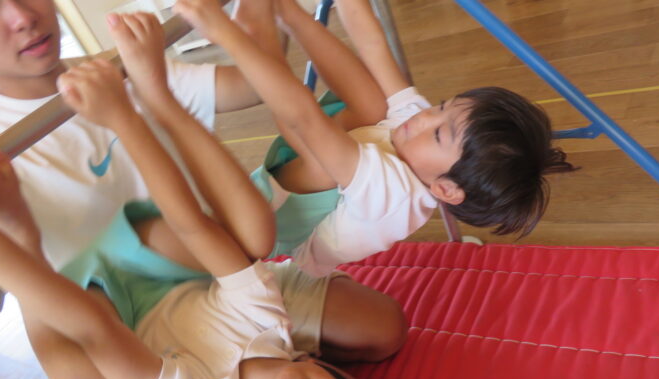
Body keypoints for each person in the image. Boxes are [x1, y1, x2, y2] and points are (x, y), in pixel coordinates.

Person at [0, 12, 400, 379]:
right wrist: (127, 115)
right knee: (253, 242)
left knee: (95, 377)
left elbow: (96, 331)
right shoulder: (267, 318)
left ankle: (5, 239)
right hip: (156, 251)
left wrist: (1, 243)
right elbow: (195, 229)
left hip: (107, 302)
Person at [173, 0, 576, 277]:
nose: (424, 117)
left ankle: (256, 26)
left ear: (445, 189)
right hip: (308, 170)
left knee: (322, 155)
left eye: (438, 132)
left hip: (273, 236)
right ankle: (285, 12)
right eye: (441, 106)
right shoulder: (418, 132)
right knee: (373, 103)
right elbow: (373, 44)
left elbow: (305, 123)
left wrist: (229, 35)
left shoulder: (395, 195)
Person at [0, 0, 274, 328]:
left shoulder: (116, 67)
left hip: (238, 270)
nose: (23, 17)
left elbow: (253, 86)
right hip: (156, 329)